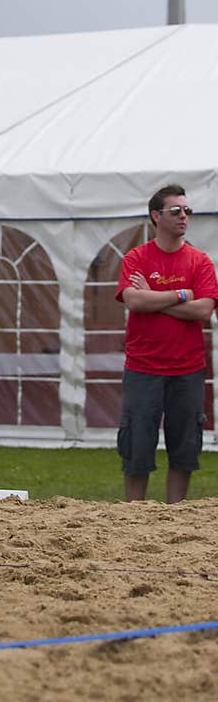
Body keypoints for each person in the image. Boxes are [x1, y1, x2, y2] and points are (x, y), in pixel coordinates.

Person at [115, 183, 218, 503]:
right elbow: (134, 301)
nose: (184, 216)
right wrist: (180, 294)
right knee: (137, 447)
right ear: (156, 216)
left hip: (187, 370)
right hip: (143, 369)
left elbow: (204, 309)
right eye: (176, 211)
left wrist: (155, 297)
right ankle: (135, 515)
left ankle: (175, 516)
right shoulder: (136, 258)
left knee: (185, 448)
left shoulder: (200, 262)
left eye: (187, 211)